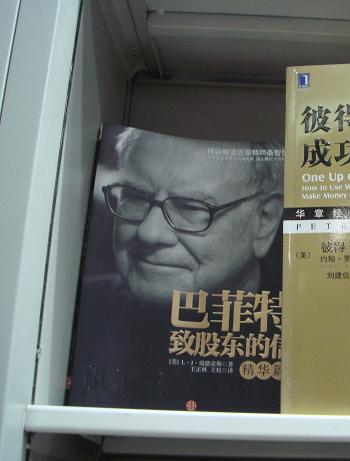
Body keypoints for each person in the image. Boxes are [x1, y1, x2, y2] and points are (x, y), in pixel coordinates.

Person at [68, 126, 283, 411]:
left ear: (264, 221)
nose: (149, 233)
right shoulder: (71, 317)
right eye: (135, 197)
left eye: (191, 208)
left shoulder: (310, 343)